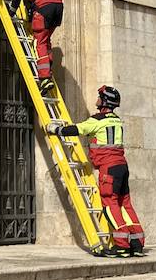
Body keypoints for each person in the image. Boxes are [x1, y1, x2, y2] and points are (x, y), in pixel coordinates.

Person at [48, 86, 145, 255]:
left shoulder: (97, 120)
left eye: (99, 97)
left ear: (104, 101)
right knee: (125, 205)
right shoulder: (116, 120)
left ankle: (121, 244)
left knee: (110, 204)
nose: (97, 99)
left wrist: (56, 130)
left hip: (109, 168)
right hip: (122, 166)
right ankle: (136, 243)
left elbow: (76, 130)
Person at [9, 0, 64, 93]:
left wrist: (12, 10)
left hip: (44, 8)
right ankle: (48, 69)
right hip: (58, 8)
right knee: (46, 41)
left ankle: (44, 78)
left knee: (39, 43)